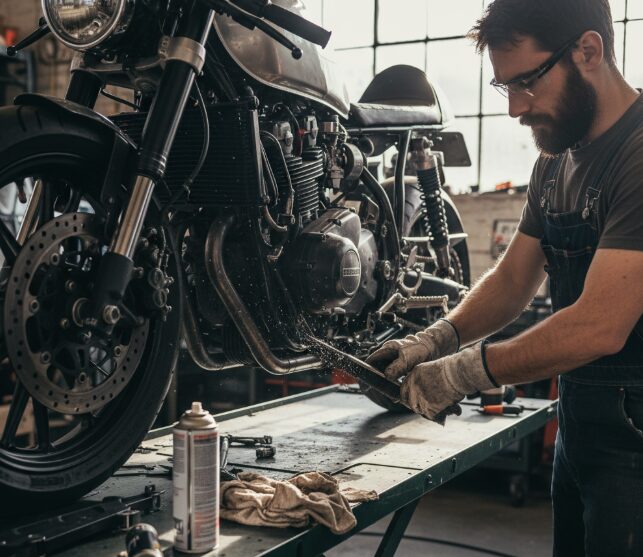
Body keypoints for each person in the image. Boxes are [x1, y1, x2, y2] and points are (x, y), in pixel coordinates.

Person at [367, 0, 643, 555]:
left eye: (526, 83)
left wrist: (461, 374)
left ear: (588, 51)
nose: (516, 108)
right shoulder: (558, 157)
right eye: (503, 88)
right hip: (581, 426)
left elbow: (599, 328)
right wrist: (435, 340)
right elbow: (516, 276)